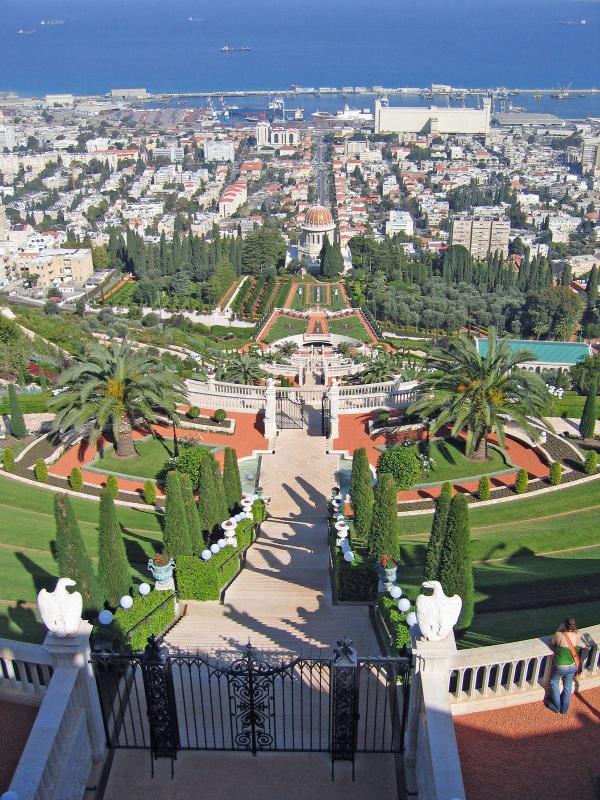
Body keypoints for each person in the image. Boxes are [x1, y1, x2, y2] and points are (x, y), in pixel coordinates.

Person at [547, 616, 581, 714]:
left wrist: (560, 628)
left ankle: (557, 707)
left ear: (564, 625)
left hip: (560, 665)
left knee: (553, 682)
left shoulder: (560, 635)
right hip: (573, 665)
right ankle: (564, 709)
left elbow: (552, 642)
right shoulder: (578, 634)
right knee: (568, 686)